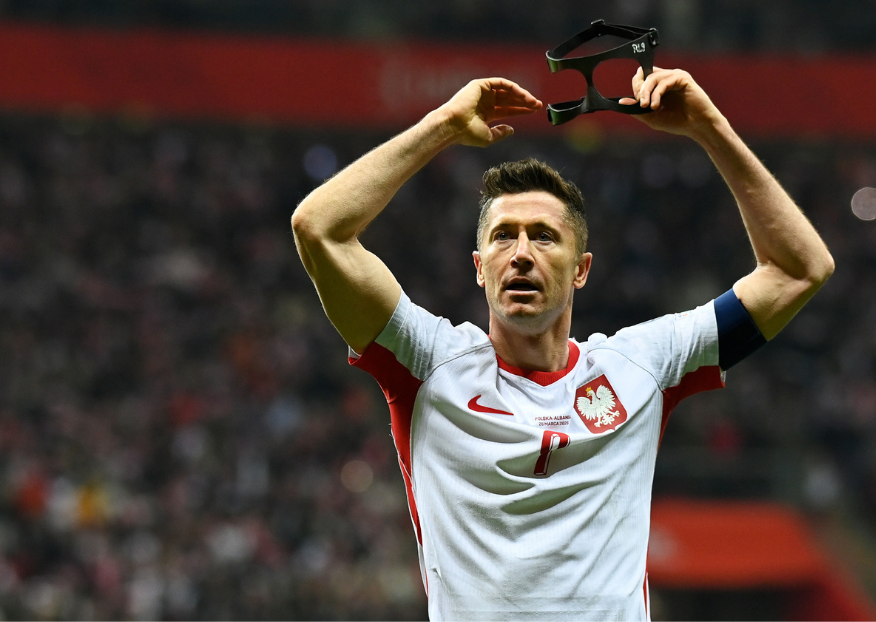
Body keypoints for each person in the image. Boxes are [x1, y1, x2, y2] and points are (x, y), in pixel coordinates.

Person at [291, 69, 834, 620]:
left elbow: (799, 270)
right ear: (480, 269)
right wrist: (443, 125)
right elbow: (318, 228)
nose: (521, 253)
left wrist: (708, 127)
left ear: (581, 270)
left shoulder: (641, 367)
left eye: (544, 236)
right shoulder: (427, 364)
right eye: (503, 235)